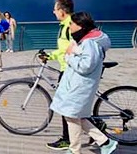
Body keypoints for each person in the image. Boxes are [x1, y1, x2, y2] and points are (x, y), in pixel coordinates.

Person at [50, 12, 118, 154]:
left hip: (80, 85)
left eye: (71, 24)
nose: (69, 26)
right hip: (78, 84)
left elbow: (86, 66)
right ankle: (104, 142)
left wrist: (69, 56)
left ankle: (77, 149)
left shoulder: (89, 42)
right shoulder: (85, 39)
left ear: (80, 25)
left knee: (72, 115)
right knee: (73, 116)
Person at [46, 0, 75, 151]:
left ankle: (67, 139)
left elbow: (71, 49)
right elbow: (65, 49)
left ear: (62, 11)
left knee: (65, 106)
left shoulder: (70, 26)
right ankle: (96, 127)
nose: (53, 11)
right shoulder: (66, 25)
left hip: (70, 70)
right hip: (67, 68)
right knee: (71, 104)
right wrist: (52, 55)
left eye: (55, 9)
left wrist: (51, 55)